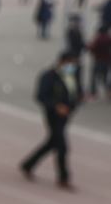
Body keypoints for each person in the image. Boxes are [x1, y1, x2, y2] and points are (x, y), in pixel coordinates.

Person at [21, 51, 81, 190]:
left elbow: (75, 93)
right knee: (62, 146)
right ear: (62, 62)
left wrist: (73, 105)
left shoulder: (72, 76)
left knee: (51, 143)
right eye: (70, 63)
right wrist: (56, 106)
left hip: (66, 115)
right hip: (53, 116)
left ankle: (28, 164)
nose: (72, 66)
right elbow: (41, 96)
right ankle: (63, 177)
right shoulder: (49, 76)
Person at [88, 24, 111, 101]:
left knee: (94, 77)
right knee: (106, 77)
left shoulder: (98, 39)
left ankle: (93, 93)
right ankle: (110, 92)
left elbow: (92, 48)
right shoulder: (110, 39)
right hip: (107, 61)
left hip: (98, 60)